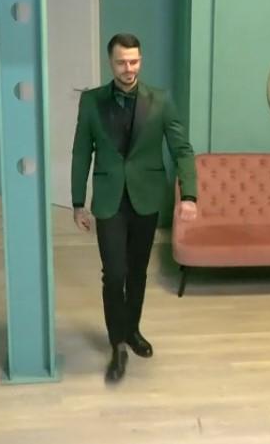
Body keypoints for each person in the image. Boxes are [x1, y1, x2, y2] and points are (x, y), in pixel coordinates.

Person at [70, 33, 198, 383]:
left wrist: (189, 195)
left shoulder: (161, 100)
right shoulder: (92, 101)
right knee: (114, 273)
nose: (129, 68)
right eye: (122, 62)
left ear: (140, 60)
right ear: (110, 63)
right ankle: (117, 344)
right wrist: (78, 202)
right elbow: (81, 152)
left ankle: (132, 330)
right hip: (109, 199)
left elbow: (182, 149)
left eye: (134, 61)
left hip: (146, 196)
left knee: (138, 272)